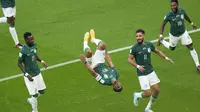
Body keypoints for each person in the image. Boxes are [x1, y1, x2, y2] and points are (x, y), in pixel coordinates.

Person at [128, 29, 173, 112]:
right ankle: (137, 95)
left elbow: (157, 51)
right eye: (137, 36)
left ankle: (148, 108)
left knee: (156, 90)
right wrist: (137, 66)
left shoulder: (149, 44)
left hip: (150, 71)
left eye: (140, 36)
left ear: (143, 36)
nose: (138, 38)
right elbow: (129, 59)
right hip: (142, 74)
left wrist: (166, 57)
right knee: (147, 93)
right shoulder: (134, 48)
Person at [157, 0, 200, 70]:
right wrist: (161, 35)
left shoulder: (182, 11)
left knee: (190, 47)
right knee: (172, 48)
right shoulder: (169, 15)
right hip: (174, 36)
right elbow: (163, 25)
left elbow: (185, 16)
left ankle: (198, 65)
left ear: (177, 5)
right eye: (171, 6)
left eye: (174, 5)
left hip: (183, 33)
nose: (172, 7)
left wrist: (191, 23)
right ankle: (162, 41)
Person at [18, 32, 48, 112]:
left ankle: (31, 100)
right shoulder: (23, 50)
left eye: (33, 39)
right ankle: (34, 110)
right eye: (30, 39)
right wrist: (27, 75)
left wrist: (42, 61)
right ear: (25, 40)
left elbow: (35, 55)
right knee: (34, 94)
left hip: (37, 72)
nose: (32, 40)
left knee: (41, 91)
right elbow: (19, 63)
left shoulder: (34, 45)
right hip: (30, 75)